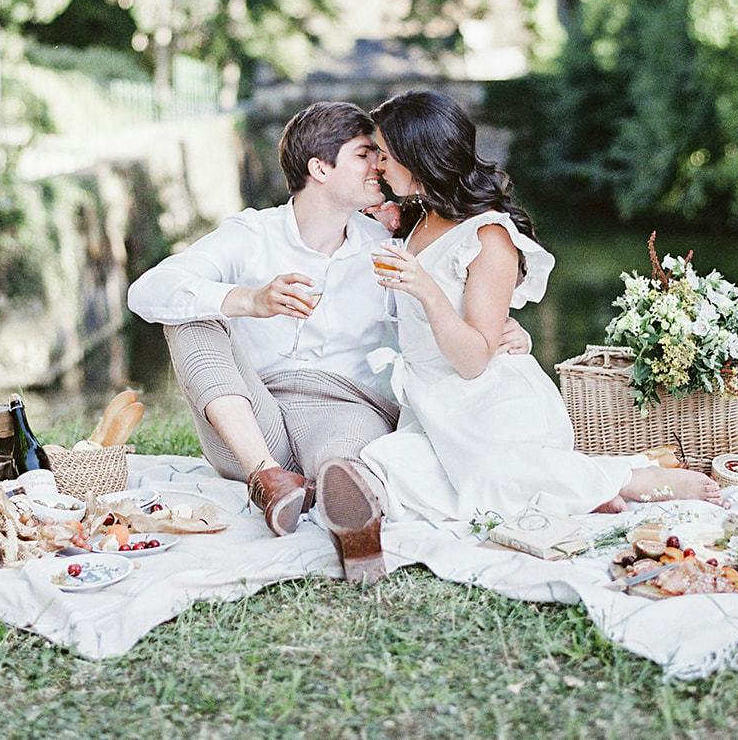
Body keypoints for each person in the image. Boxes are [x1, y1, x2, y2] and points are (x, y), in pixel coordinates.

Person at [125, 100, 532, 583]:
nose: (380, 165)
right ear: (320, 167)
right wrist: (250, 300)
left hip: (347, 410)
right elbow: (146, 291)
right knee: (189, 313)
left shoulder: (390, 244)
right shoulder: (251, 235)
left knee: (348, 467)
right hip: (252, 422)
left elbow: (448, 312)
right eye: (365, 154)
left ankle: (353, 520)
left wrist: (500, 330)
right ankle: (269, 481)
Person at [359, 89, 725, 523]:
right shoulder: (415, 218)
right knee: (390, 463)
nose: (376, 165)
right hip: (433, 402)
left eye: (383, 154)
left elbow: (474, 361)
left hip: (484, 402)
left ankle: (628, 478)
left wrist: (427, 290)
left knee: (486, 477)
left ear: (416, 154)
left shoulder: (488, 238)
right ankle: (571, 490)